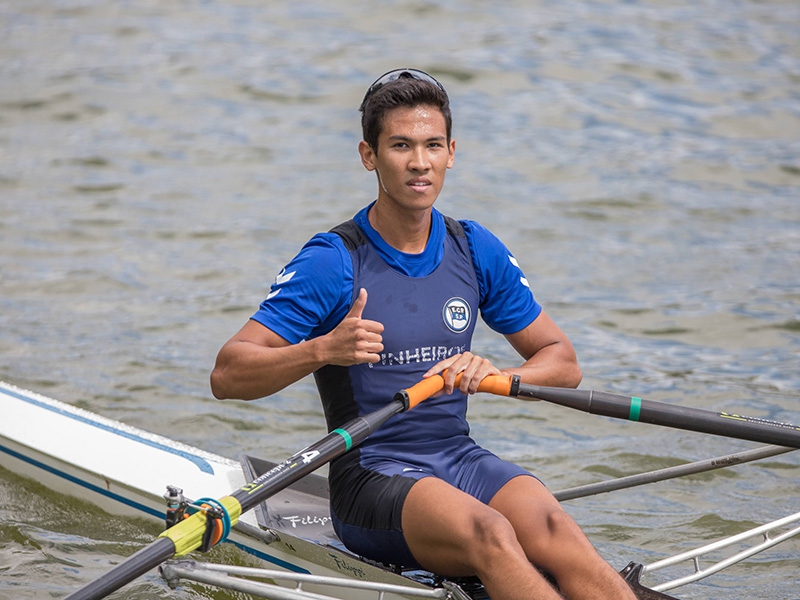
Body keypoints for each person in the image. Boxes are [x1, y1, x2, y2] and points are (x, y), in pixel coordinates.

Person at [211, 68, 637, 600]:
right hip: (371, 475)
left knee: (558, 531)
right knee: (493, 533)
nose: (419, 162)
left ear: (451, 152)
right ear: (369, 155)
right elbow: (228, 374)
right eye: (401, 146)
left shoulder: (473, 248)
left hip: (458, 457)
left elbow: (563, 363)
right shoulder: (334, 261)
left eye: (433, 145)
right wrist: (322, 349)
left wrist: (496, 374)